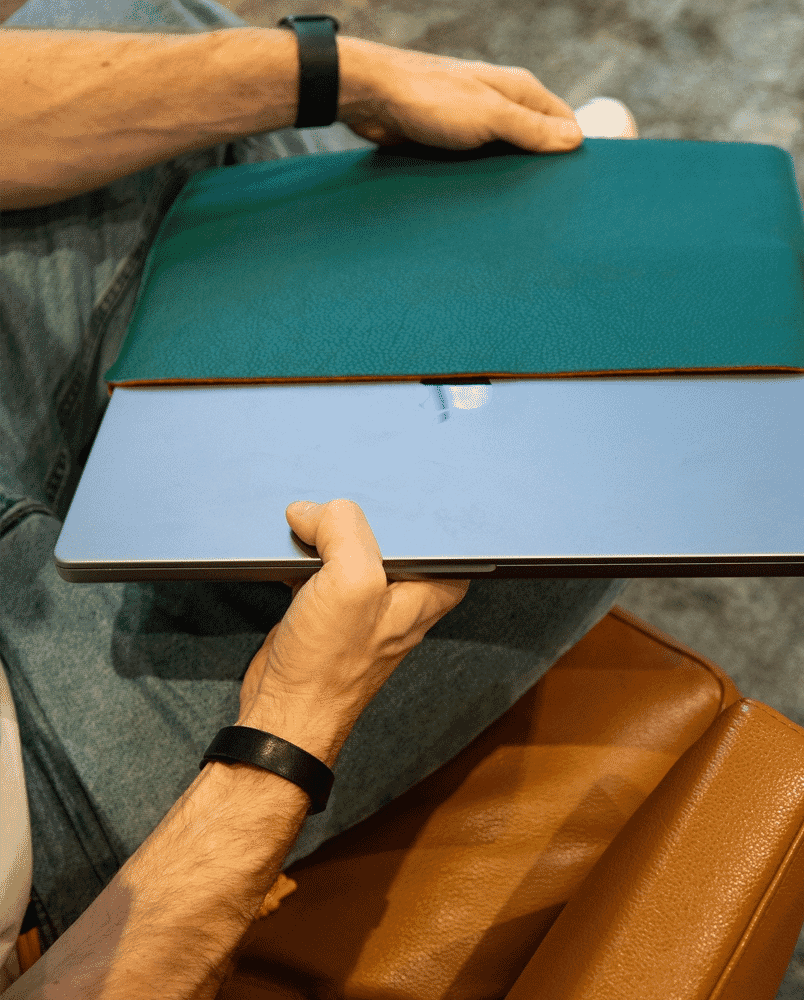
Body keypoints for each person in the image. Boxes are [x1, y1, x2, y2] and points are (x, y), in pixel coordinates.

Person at [0, 0, 640, 994]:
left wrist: (339, 72)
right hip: (38, 783)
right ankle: (506, 262)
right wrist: (291, 726)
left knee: (147, 20)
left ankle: (453, 254)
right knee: (597, 477)